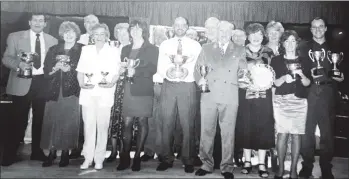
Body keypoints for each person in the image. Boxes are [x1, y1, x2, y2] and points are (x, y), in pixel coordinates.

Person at [1, 13, 58, 166]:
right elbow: (6, 58)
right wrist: (19, 65)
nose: (38, 23)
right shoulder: (15, 36)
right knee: (17, 120)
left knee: (40, 120)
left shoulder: (53, 40)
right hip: (21, 81)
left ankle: (37, 153)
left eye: (41, 20)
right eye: (35, 20)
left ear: (45, 23)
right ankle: (9, 154)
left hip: (43, 83)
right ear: (29, 22)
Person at [194, 21, 246, 179]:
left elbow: (243, 71)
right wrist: (199, 80)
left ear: (231, 33)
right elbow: (198, 69)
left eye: (226, 31)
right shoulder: (206, 48)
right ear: (216, 32)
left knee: (228, 133)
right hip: (209, 94)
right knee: (206, 131)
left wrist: (246, 77)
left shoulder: (239, 49)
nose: (223, 34)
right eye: (220, 30)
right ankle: (206, 164)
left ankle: (227, 167)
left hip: (230, 95)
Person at [299, 17, 344, 179]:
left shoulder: (336, 47)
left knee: (327, 133)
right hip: (309, 91)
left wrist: (343, 78)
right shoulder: (303, 47)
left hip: (328, 91)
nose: (317, 30)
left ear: (325, 28)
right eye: (314, 27)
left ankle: (326, 167)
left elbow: (343, 69)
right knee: (307, 132)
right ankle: (306, 166)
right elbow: (299, 69)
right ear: (310, 30)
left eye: (320, 27)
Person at [156, 16, 202, 173]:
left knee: (188, 124)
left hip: (187, 85)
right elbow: (160, 66)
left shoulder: (195, 45)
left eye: (183, 25)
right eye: (177, 25)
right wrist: (169, 72)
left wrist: (184, 72)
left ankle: (188, 159)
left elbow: (198, 66)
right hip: (169, 85)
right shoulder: (165, 44)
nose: (180, 27)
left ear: (188, 27)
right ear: (172, 27)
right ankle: (166, 158)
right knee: (166, 122)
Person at [76, 23, 120, 170]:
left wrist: (111, 83)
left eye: (102, 34)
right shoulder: (85, 50)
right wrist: (82, 84)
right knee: (88, 126)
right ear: (92, 36)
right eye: (96, 34)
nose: (99, 37)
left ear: (106, 35)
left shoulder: (113, 50)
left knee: (102, 127)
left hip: (105, 93)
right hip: (88, 93)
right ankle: (88, 158)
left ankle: (99, 158)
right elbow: (80, 71)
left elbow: (116, 72)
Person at [116, 20, 159, 171]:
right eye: (132, 28)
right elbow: (122, 65)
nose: (135, 31)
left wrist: (137, 72)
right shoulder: (125, 48)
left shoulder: (152, 49)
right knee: (126, 123)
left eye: (138, 28)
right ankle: (125, 157)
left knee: (142, 122)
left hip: (143, 90)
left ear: (144, 31)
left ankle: (137, 158)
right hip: (127, 89)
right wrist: (121, 70)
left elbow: (153, 69)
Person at [270, 30, 312, 179]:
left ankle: (293, 170)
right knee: (282, 135)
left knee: (296, 136)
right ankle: (281, 169)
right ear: (282, 43)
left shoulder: (305, 60)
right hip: (281, 102)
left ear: (297, 43)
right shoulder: (275, 60)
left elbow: (308, 83)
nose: (290, 44)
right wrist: (284, 78)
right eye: (287, 41)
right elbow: (274, 82)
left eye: (293, 41)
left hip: (300, 102)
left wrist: (301, 75)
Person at [40, 21, 83, 168]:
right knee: (51, 122)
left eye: (72, 32)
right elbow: (46, 71)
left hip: (72, 91)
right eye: (66, 32)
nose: (69, 35)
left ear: (76, 34)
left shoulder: (82, 49)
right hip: (53, 90)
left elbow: (84, 70)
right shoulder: (53, 49)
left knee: (68, 122)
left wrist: (69, 70)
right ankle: (51, 154)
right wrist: (55, 68)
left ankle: (65, 153)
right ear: (62, 34)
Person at [235, 23, 275, 178]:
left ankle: (262, 163)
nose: (256, 37)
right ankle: (247, 161)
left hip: (264, 96)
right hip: (245, 95)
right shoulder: (240, 52)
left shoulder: (269, 52)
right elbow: (236, 74)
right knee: (246, 127)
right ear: (248, 36)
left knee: (263, 128)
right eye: (252, 34)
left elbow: (273, 75)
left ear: (263, 35)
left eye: (259, 34)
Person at [70, 14, 100, 159]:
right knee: (79, 117)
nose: (90, 24)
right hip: (78, 83)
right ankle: (77, 147)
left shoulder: (104, 40)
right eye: (87, 21)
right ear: (83, 24)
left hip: (99, 85)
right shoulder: (77, 39)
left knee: (95, 118)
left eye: (93, 22)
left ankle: (95, 149)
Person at [106, 22, 130, 163]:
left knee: (125, 121)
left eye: (124, 32)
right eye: (119, 32)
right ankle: (113, 151)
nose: (121, 35)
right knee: (113, 119)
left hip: (127, 87)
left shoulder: (133, 48)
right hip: (112, 87)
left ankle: (124, 152)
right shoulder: (111, 48)